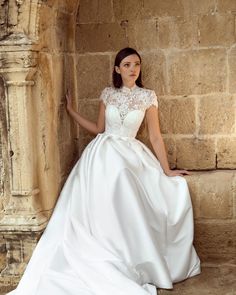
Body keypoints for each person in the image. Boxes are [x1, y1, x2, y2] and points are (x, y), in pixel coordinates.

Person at [7, 47, 200, 295]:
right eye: (127, 65)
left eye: (137, 65)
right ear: (117, 69)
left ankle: (126, 252)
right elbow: (99, 128)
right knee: (112, 179)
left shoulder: (147, 97)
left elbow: (155, 136)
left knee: (125, 177)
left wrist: (167, 169)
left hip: (131, 152)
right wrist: (72, 112)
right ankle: (96, 246)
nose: (133, 69)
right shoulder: (108, 94)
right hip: (102, 151)